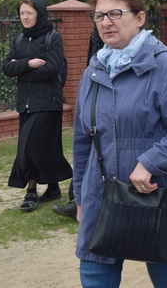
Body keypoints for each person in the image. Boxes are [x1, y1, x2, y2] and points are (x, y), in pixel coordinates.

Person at [72, 0, 167, 288]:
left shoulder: (164, 68)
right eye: (99, 15)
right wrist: (80, 196)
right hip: (100, 195)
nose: (106, 22)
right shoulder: (94, 71)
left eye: (115, 13)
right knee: (94, 280)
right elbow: (82, 141)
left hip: (153, 194)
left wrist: (150, 161)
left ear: (140, 18)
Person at [2, 0, 73, 212]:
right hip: (26, 103)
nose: (24, 17)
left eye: (29, 13)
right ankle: (53, 188)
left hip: (48, 102)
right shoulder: (19, 40)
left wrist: (21, 70)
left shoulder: (53, 38)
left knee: (30, 146)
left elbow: (52, 69)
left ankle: (31, 191)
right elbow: (6, 67)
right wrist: (29, 64)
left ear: (39, 14)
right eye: (22, 13)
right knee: (47, 147)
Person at [53, 25, 104, 220]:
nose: (106, 22)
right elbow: (91, 63)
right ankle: (77, 200)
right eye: (99, 15)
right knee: (86, 146)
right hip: (97, 86)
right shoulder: (95, 35)